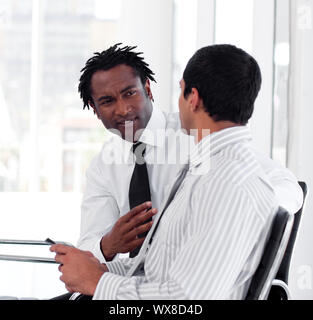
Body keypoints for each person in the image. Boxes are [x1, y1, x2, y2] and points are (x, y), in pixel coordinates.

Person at [51, 44, 302, 299]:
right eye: (107, 101)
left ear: (148, 89)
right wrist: (107, 250)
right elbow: (152, 265)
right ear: (94, 109)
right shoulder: (108, 165)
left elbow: (186, 297)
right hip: (136, 284)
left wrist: (228, 213)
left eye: (130, 93)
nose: (123, 109)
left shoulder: (215, 164)